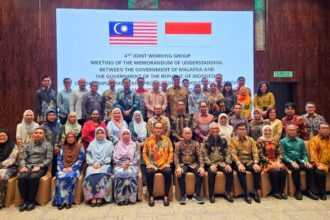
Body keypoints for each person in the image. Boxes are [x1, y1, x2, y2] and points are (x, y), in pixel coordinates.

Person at [280, 124, 318, 200]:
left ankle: (309, 190)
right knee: (296, 169)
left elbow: (304, 153)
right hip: (288, 162)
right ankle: (298, 190)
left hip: (300, 161)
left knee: (310, 168)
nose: (292, 131)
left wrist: (306, 161)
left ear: (296, 131)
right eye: (290, 130)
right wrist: (291, 162)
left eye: (294, 130)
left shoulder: (300, 141)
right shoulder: (282, 141)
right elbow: (283, 155)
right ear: (287, 131)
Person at [18, 127, 52, 211]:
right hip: (28, 166)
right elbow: (23, 158)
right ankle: (24, 200)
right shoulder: (28, 145)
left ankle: (31, 201)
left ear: (44, 135)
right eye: (36, 133)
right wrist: (23, 166)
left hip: (41, 166)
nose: (38, 134)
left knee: (33, 178)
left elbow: (49, 158)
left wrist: (40, 166)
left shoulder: (48, 145)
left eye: (40, 133)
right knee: (21, 177)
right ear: (33, 134)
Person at [143, 122, 173, 207]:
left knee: (168, 172)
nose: (158, 129)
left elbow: (171, 152)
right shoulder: (148, 140)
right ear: (153, 129)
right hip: (152, 164)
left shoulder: (167, 139)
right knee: (149, 172)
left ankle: (166, 195)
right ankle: (151, 195)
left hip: (164, 164)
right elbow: (144, 153)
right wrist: (148, 163)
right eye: (157, 128)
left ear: (163, 129)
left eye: (160, 128)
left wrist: (168, 162)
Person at [229, 123, 261, 204]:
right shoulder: (232, 140)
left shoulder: (251, 140)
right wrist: (239, 164)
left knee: (257, 169)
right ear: (236, 131)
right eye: (240, 129)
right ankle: (246, 193)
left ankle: (255, 191)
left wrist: (256, 162)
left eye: (243, 129)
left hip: (249, 161)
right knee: (241, 171)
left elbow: (255, 152)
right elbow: (233, 154)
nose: (242, 131)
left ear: (246, 131)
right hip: (238, 161)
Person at [83, 127, 114, 206]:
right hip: (93, 164)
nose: (100, 135)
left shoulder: (109, 144)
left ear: (104, 134)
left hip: (105, 164)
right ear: (95, 134)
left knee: (102, 174)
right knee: (90, 173)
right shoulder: (92, 144)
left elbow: (110, 156)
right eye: (98, 133)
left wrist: (100, 163)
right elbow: (88, 155)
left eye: (102, 133)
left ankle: (100, 197)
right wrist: (93, 163)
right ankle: (92, 197)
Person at [53, 132, 85, 209]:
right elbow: (59, 159)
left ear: (75, 138)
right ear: (66, 139)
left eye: (72, 137)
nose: (70, 139)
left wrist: (72, 168)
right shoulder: (63, 147)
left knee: (70, 176)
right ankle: (60, 201)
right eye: (68, 137)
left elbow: (81, 159)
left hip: (75, 169)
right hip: (63, 168)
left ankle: (68, 201)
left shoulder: (80, 146)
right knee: (60, 176)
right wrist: (63, 168)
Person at [203, 123, 233, 203]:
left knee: (229, 171)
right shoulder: (206, 140)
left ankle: (227, 192)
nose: (215, 130)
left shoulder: (223, 140)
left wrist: (228, 164)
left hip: (222, 162)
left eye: (216, 128)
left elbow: (228, 153)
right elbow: (204, 155)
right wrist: (210, 165)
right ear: (210, 130)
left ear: (219, 130)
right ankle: (211, 194)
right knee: (211, 172)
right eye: (213, 129)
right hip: (211, 163)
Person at [175, 127, 205, 205]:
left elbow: (200, 156)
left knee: (200, 173)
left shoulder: (196, 143)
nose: (188, 135)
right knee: (180, 173)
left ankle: (196, 195)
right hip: (183, 164)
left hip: (193, 164)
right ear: (182, 134)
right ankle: (183, 195)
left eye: (189, 133)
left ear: (191, 134)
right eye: (186, 133)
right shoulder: (178, 144)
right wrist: (177, 167)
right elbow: (176, 156)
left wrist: (202, 166)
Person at [257, 125, 287, 199]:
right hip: (265, 162)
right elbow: (260, 155)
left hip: (276, 161)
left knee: (283, 170)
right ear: (263, 132)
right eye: (265, 130)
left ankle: (281, 191)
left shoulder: (275, 140)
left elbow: (280, 153)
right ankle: (276, 191)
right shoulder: (260, 141)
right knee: (274, 171)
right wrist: (272, 163)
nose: (267, 132)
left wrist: (278, 162)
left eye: (269, 130)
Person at [113, 129, 140, 205]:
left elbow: (137, 157)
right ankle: (120, 198)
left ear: (130, 135)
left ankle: (130, 198)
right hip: (119, 165)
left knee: (130, 173)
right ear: (121, 135)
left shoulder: (134, 145)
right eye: (123, 134)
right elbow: (114, 158)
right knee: (119, 173)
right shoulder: (117, 145)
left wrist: (130, 164)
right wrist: (122, 164)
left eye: (127, 134)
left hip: (132, 165)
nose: (126, 136)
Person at [309, 123, 330, 200]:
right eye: (323, 128)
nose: (325, 130)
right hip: (319, 164)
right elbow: (313, 155)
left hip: (328, 164)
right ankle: (322, 193)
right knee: (319, 172)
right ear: (319, 130)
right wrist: (318, 165)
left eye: (327, 128)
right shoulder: (314, 140)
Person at [0, 129, 18, 209]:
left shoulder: (12, 146)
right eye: (0, 136)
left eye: (4, 136)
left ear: (8, 136)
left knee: (2, 175)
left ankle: (0, 200)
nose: (2, 137)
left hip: (10, 167)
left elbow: (11, 160)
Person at [128, 111, 148, 185]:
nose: (137, 117)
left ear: (141, 116)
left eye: (139, 115)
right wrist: (137, 142)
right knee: (137, 162)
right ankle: (137, 181)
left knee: (144, 162)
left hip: (145, 145)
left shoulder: (145, 124)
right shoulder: (131, 124)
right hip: (134, 145)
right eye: (136, 115)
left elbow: (149, 133)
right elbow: (130, 134)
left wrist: (144, 142)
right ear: (133, 116)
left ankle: (145, 181)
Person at [42, 110, 62, 176]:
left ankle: (56, 178)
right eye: (49, 115)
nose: (51, 117)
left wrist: (57, 147)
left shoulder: (59, 125)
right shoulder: (42, 126)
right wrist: (50, 148)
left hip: (57, 148)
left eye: (53, 115)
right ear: (47, 116)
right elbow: (42, 138)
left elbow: (62, 137)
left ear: (56, 116)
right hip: (46, 149)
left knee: (57, 164)